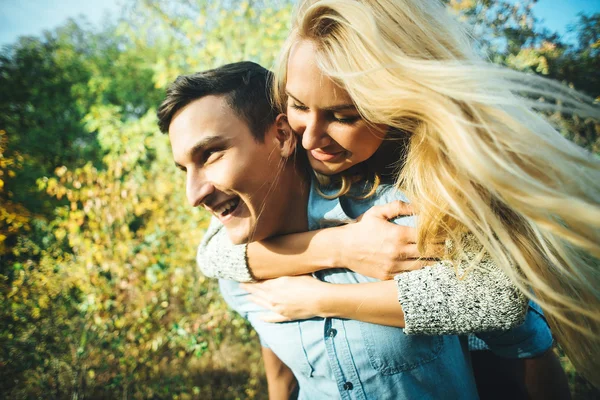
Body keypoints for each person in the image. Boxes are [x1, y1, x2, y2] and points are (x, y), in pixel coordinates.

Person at [243, 0, 600, 388]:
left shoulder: (447, 176)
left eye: (344, 116)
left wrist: (318, 298)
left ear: (398, 99)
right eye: (297, 105)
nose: (310, 136)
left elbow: (498, 301)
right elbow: (217, 254)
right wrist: (342, 246)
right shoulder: (292, 155)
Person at [159, 62, 567, 399]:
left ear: (282, 135)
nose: (193, 194)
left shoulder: (400, 227)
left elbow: (521, 337)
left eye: (210, 155)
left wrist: (323, 297)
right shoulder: (239, 271)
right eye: (184, 170)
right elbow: (280, 366)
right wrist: (338, 248)